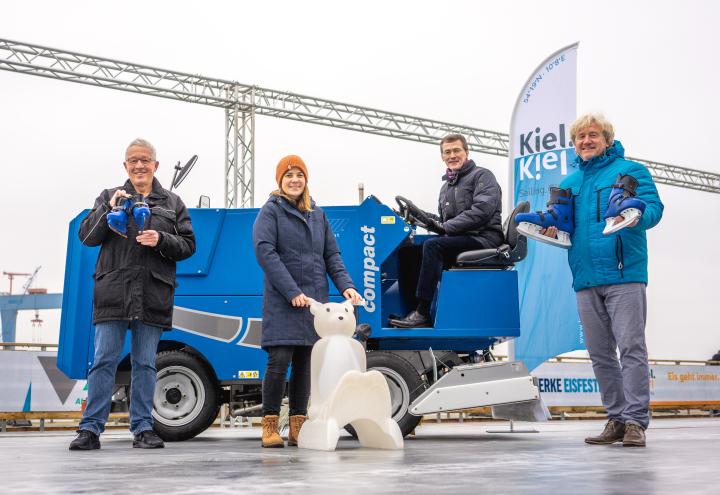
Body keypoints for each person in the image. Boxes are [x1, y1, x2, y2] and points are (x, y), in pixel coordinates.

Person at [543, 114, 663, 447]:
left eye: (592, 135)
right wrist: (553, 228)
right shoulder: (569, 183)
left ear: (607, 139)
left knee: (631, 348)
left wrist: (636, 213)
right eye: (580, 137)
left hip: (624, 273)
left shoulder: (631, 171)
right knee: (600, 354)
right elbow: (562, 224)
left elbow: (654, 210)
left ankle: (636, 421)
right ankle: (616, 418)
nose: (586, 141)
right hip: (585, 277)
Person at [69, 138, 196, 450]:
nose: (139, 165)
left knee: (145, 363)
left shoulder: (172, 202)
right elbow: (86, 236)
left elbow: (189, 246)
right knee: (103, 361)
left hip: (153, 293)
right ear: (125, 166)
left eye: (145, 160)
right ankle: (90, 429)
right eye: (133, 161)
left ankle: (142, 428)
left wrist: (162, 238)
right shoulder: (109, 196)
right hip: (113, 290)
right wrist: (106, 208)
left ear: (156, 165)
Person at [253, 154, 362, 448]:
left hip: (314, 304)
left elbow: (332, 256)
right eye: (288, 175)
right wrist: (291, 292)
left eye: (299, 175)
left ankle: (298, 426)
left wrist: (347, 287)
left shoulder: (318, 214)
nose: (294, 180)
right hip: (283, 300)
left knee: (305, 364)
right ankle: (270, 425)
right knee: (279, 362)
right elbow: (266, 253)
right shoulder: (271, 211)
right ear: (280, 180)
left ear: (306, 180)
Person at [389, 134, 504, 328]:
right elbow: (443, 222)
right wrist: (416, 215)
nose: (452, 155)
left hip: (484, 238)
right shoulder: (446, 188)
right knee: (407, 252)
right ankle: (414, 311)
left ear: (466, 152)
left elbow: (481, 212)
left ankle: (423, 313)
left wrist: (445, 228)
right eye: (447, 152)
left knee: (434, 246)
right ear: (442, 156)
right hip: (460, 238)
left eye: (456, 150)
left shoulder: (482, 176)